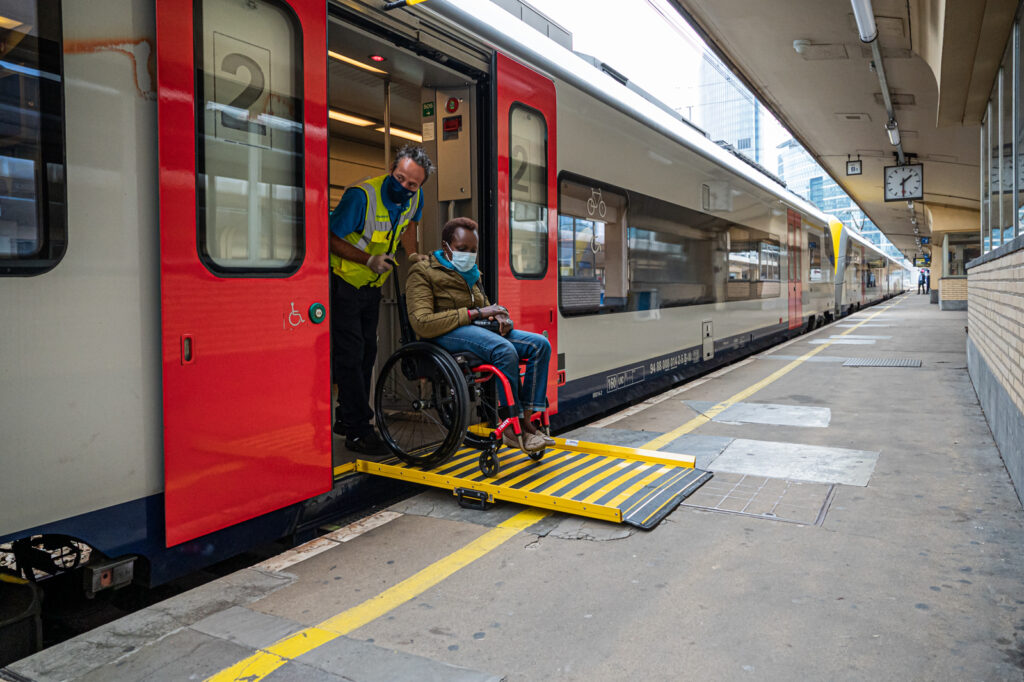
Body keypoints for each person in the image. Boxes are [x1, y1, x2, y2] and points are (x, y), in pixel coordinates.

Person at [405, 217, 554, 452]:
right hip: (444, 333)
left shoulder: (472, 274)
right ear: (446, 247)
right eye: (462, 248)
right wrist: (475, 313)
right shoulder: (423, 272)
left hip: (475, 330)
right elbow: (421, 322)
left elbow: (487, 309)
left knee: (540, 345)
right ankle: (510, 426)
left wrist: (502, 317)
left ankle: (525, 420)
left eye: (473, 250)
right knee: (504, 350)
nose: (468, 255)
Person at [329, 145, 434, 455]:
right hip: (343, 282)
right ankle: (358, 430)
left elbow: (410, 224)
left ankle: (345, 415)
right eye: (399, 178)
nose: (404, 187)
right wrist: (368, 260)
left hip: (372, 286)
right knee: (351, 355)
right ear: (391, 169)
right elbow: (329, 237)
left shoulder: (415, 197)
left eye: (412, 183)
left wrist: (412, 254)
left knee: (367, 353)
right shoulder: (361, 197)